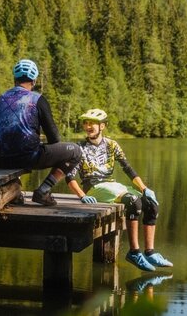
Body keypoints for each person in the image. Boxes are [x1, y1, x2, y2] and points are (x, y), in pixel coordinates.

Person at [66, 108, 173, 272]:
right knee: (133, 201)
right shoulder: (78, 148)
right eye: (86, 123)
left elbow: (128, 169)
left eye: (92, 123)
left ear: (102, 126)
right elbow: (70, 178)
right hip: (94, 187)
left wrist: (144, 188)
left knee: (151, 203)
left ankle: (150, 252)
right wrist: (82, 196)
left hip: (111, 184)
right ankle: (134, 252)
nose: (88, 126)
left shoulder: (112, 145)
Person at [0, 59, 82, 206]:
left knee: (16, 150)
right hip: (27, 157)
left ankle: (15, 192)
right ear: (34, 80)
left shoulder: (0, 99)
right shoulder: (37, 99)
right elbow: (54, 138)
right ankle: (43, 190)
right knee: (76, 152)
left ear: (15, 78)